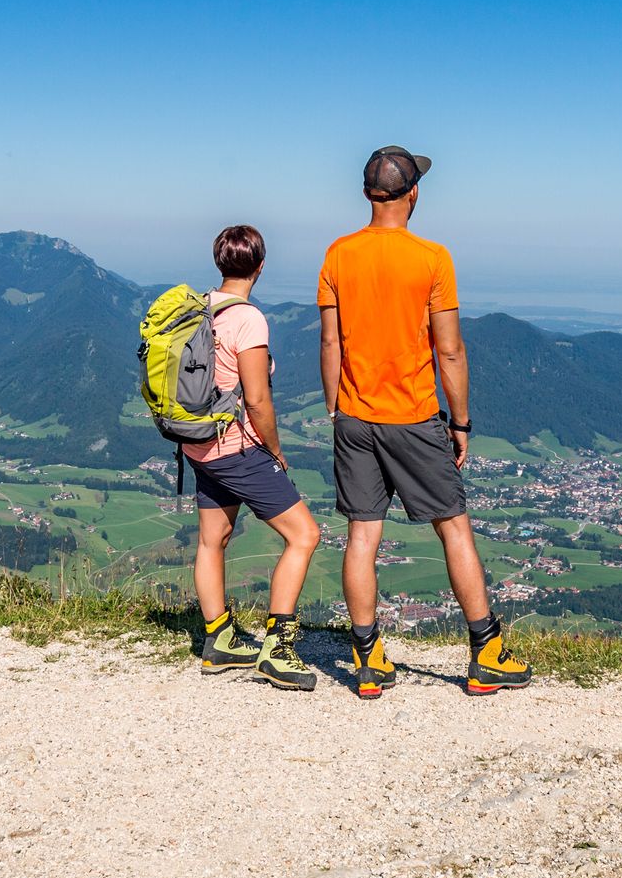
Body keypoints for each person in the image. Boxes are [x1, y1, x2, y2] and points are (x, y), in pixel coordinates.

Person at [317, 147, 531, 698]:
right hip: (413, 417)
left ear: (368, 194)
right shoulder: (432, 258)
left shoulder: (338, 254)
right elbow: (451, 351)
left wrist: (335, 407)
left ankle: (368, 661)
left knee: (362, 535)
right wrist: (460, 423)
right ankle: (486, 655)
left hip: (354, 417)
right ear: (413, 194)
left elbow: (330, 341)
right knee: (453, 527)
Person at [182, 224, 322, 691]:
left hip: (199, 444)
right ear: (260, 267)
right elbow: (258, 400)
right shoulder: (248, 319)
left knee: (212, 539)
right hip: (237, 448)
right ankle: (277, 649)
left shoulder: (200, 307)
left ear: (219, 264)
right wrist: (275, 452)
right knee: (305, 534)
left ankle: (218, 639)